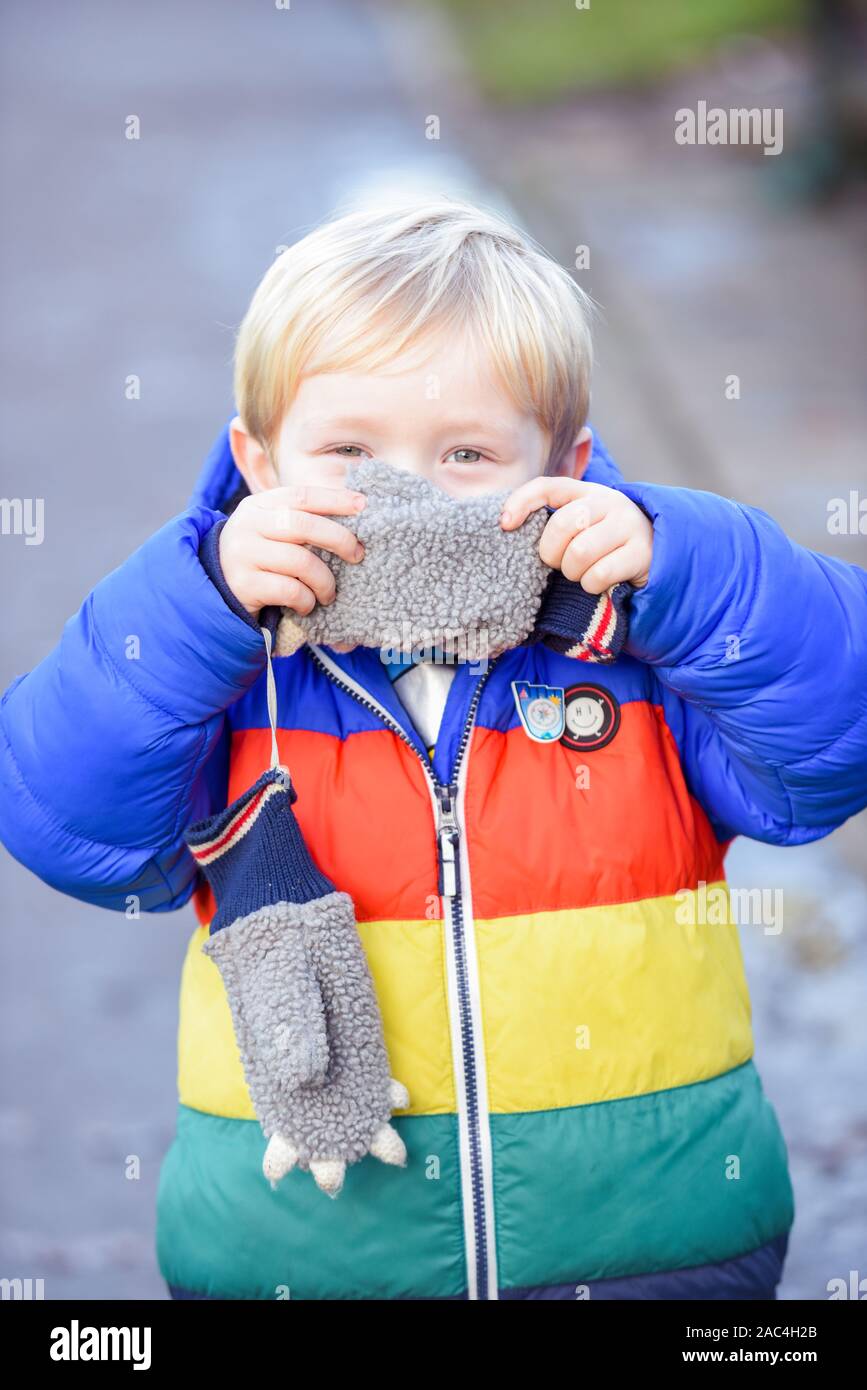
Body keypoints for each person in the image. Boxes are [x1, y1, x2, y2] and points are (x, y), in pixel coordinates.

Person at [2, 196, 865, 1301]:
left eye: (465, 453)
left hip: (655, 1245)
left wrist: (687, 575)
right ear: (258, 467)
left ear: (568, 467)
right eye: (349, 451)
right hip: (306, 1257)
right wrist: (196, 607)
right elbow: (68, 823)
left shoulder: (635, 651)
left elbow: (835, 743)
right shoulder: (229, 664)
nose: (399, 493)